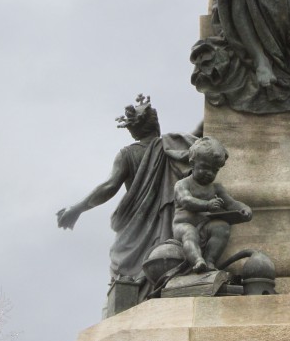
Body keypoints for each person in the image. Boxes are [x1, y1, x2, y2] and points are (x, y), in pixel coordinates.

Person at [57, 95, 198, 286]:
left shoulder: (129, 154)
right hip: (163, 221)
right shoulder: (171, 146)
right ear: (155, 124)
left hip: (137, 227)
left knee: (126, 273)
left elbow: (108, 187)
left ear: (134, 130)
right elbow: (199, 135)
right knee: (163, 259)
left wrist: (78, 208)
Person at [173, 137, 252, 272]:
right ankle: (197, 260)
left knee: (222, 227)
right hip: (183, 225)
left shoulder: (216, 188)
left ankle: (210, 261)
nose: (209, 173)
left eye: (214, 170)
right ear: (192, 163)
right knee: (189, 234)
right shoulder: (183, 184)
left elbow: (232, 203)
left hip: (206, 225)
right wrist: (207, 205)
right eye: (204, 167)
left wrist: (244, 209)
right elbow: (186, 201)